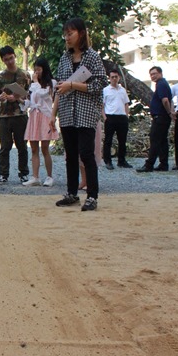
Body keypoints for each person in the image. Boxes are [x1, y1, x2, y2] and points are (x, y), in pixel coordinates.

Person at [54, 18, 106, 212]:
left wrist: (73, 85)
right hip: (67, 112)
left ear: (81, 33)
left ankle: (92, 196)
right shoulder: (64, 58)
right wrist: (62, 89)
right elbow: (60, 85)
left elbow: (100, 84)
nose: (67, 38)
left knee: (86, 154)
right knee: (70, 155)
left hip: (86, 113)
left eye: (70, 34)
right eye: (65, 35)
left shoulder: (92, 57)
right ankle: (72, 193)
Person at [22, 57, 58, 187]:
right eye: (35, 70)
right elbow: (31, 101)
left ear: (44, 69)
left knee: (45, 148)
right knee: (33, 148)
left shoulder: (51, 83)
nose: (36, 72)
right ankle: (35, 177)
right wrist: (20, 99)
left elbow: (44, 95)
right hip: (34, 116)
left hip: (45, 116)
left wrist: (35, 82)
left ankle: (49, 176)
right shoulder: (33, 85)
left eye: (38, 70)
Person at [0, 46, 30, 183]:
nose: (9, 61)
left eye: (11, 58)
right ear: (2, 60)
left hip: (20, 114)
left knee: (22, 146)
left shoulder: (25, 75)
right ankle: (3, 174)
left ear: (15, 56)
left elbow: (30, 95)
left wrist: (17, 97)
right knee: (4, 146)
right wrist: (1, 97)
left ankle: (24, 173)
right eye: (6, 59)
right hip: (4, 116)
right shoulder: (0, 77)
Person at [137, 66, 173, 172]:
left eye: (155, 73)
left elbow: (165, 100)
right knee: (162, 141)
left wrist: (169, 112)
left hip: (160, 116)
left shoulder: (161, 84)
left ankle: (149, 165)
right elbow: (170, 100)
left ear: (160, 73)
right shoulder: (163, 84)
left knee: (155, 140)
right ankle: (164, 164)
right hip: (163, 117)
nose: (153, 76)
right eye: (151, 74)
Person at [101, 69, 132, 170]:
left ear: (119, 78)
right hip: (110, 117)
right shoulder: (105, 90)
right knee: (108, 140)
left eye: (116, 77)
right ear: (109, 78)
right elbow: (102, 105)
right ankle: (108, 161)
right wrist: (105, 117)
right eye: (112, 77)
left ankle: (121, 161)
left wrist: (126, 116)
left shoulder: (123, 90)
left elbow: (126, 104)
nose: (114, 79)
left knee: (122, 140)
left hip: (122, 117)